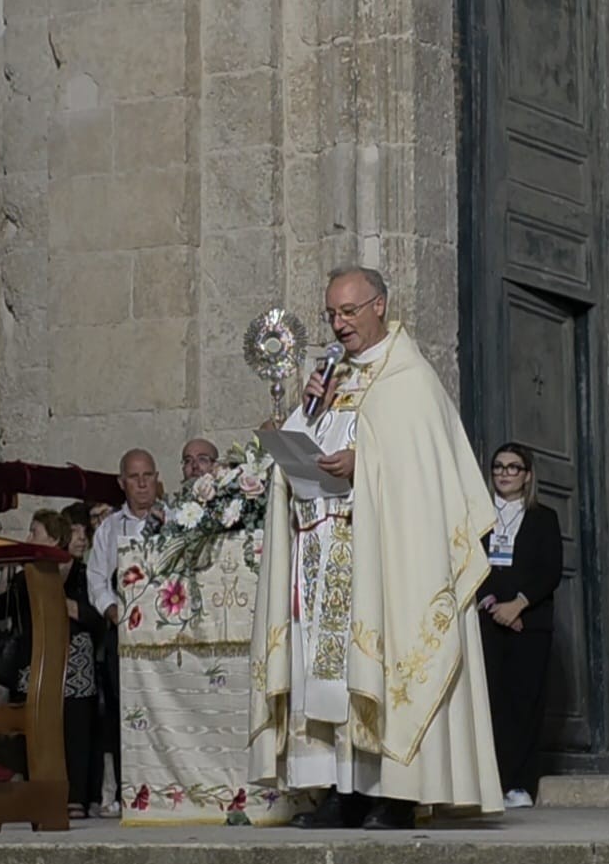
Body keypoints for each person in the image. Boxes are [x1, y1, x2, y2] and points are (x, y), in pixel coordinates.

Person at [249, 265, 502, 829]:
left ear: (380, 305)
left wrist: (366, 466)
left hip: (386, 561)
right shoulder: (333, 376)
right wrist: (308, 410)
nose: (339, 325)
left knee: (381, 666)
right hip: (326, 557)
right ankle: (345, 789)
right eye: (331, 314)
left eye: (349, 312)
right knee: (331, 674)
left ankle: (398, 792)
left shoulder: (409, 377)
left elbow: (428, 474)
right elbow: (299, 454)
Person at [0, 510, 103, 817]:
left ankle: (75, 795)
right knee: (35, 725)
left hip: (74, 658)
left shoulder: (83, 573)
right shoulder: (26, 576)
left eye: (34, 531)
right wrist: (4, 576)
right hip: (34, 657)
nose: (28, 538)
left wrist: (71, 608)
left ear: (53, 538)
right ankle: (38, 791)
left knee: (74, 729)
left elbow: (98, 614)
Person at [477, 443, 562, 809]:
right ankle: (488, 782)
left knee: (524, 703)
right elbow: (468, 561)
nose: (505, 473)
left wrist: (518, 605)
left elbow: (550, 570)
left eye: (514, 468)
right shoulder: (477, 515)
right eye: (499, 467)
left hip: (530, 622)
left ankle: (518, 784)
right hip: (487, 619)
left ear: (527, 475)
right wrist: (493, 603)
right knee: (490, 703)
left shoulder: (545, 517)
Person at [87, 449, 161, 818]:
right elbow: (97, 579)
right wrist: (114, 611)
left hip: (165, 633)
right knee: (122, 711)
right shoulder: (109, 528)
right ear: (122, 482)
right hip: (126, 634)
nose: (143, 482)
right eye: (135, 477)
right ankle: (127, 791)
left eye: (148, 475)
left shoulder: (174, 519)